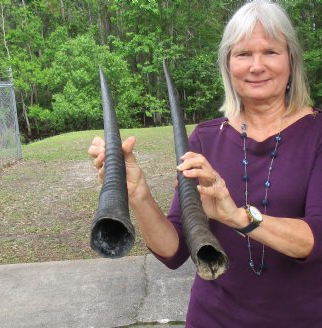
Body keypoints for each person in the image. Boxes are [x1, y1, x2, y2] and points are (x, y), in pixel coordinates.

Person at [89, 1, 322, 327]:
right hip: (212, 318)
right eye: (243, 54)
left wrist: (237, 217)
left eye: (270, 52)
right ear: (228, 65)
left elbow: (315, 237)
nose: (256, 65)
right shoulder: (205, 139)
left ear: (292, 61)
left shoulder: (317, 134)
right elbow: (175, 250)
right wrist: (138, 195)